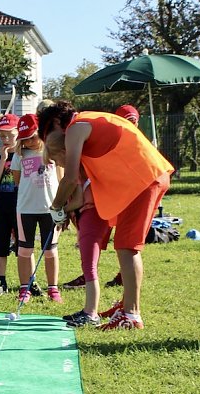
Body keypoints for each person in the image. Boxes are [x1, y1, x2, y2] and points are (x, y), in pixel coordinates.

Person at [38, 100, 173, 330]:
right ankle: (126, 306)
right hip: (146, 177)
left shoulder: (75, 128)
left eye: (47, 132)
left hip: (144, 179)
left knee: (127, 247)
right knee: (125, 245)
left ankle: (131, 315)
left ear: (58, 122)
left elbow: (69, 178)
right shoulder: (87, 121)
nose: (49, 139)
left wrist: (56, 207)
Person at [62, 104, 141, 290]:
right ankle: (89, 275)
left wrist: (61, 207)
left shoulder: (135, 140)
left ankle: (123, 280)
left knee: (126, 243)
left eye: (133, 121)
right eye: (127, 121)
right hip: (104, 197)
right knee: (97, 239)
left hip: (128, 194)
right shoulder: (110, 136)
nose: (130, 125)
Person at [12, 113, 62, 304]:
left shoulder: (54, 152)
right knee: (25, 251)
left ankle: (53, 288)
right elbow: (18, 181)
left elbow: (61, 178)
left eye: (33, 137)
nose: (29, 142)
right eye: (25, 139)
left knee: (50, 251)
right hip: (25, 210)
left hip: (50, 210)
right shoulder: (19, 155)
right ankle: (25, 288)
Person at [0, 113, 19, 295]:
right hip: (1, 207)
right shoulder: (1, 155)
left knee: (24, 247)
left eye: (9, 135)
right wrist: (2, 158)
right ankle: (1, 280)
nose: (5, 139)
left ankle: (28, 282)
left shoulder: (24, 154)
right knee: (0, 245)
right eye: (1, 136)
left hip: (21, 208)